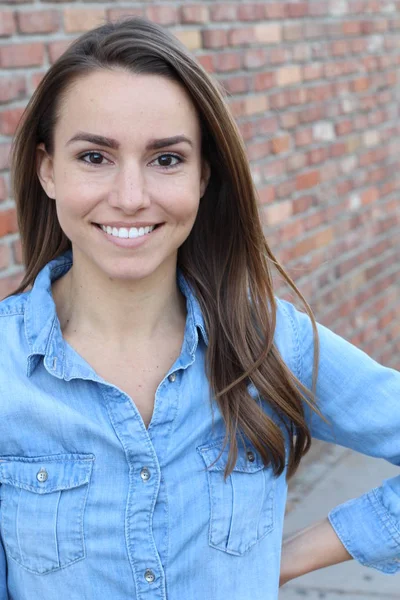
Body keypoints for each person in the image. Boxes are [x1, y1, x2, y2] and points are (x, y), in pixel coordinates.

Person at [0, 16, 399, 600]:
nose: (131, 198)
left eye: (166, 159)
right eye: (94, 157)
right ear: (47, 169)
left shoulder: (266, 341)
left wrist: (283, 561)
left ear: (204, 174)